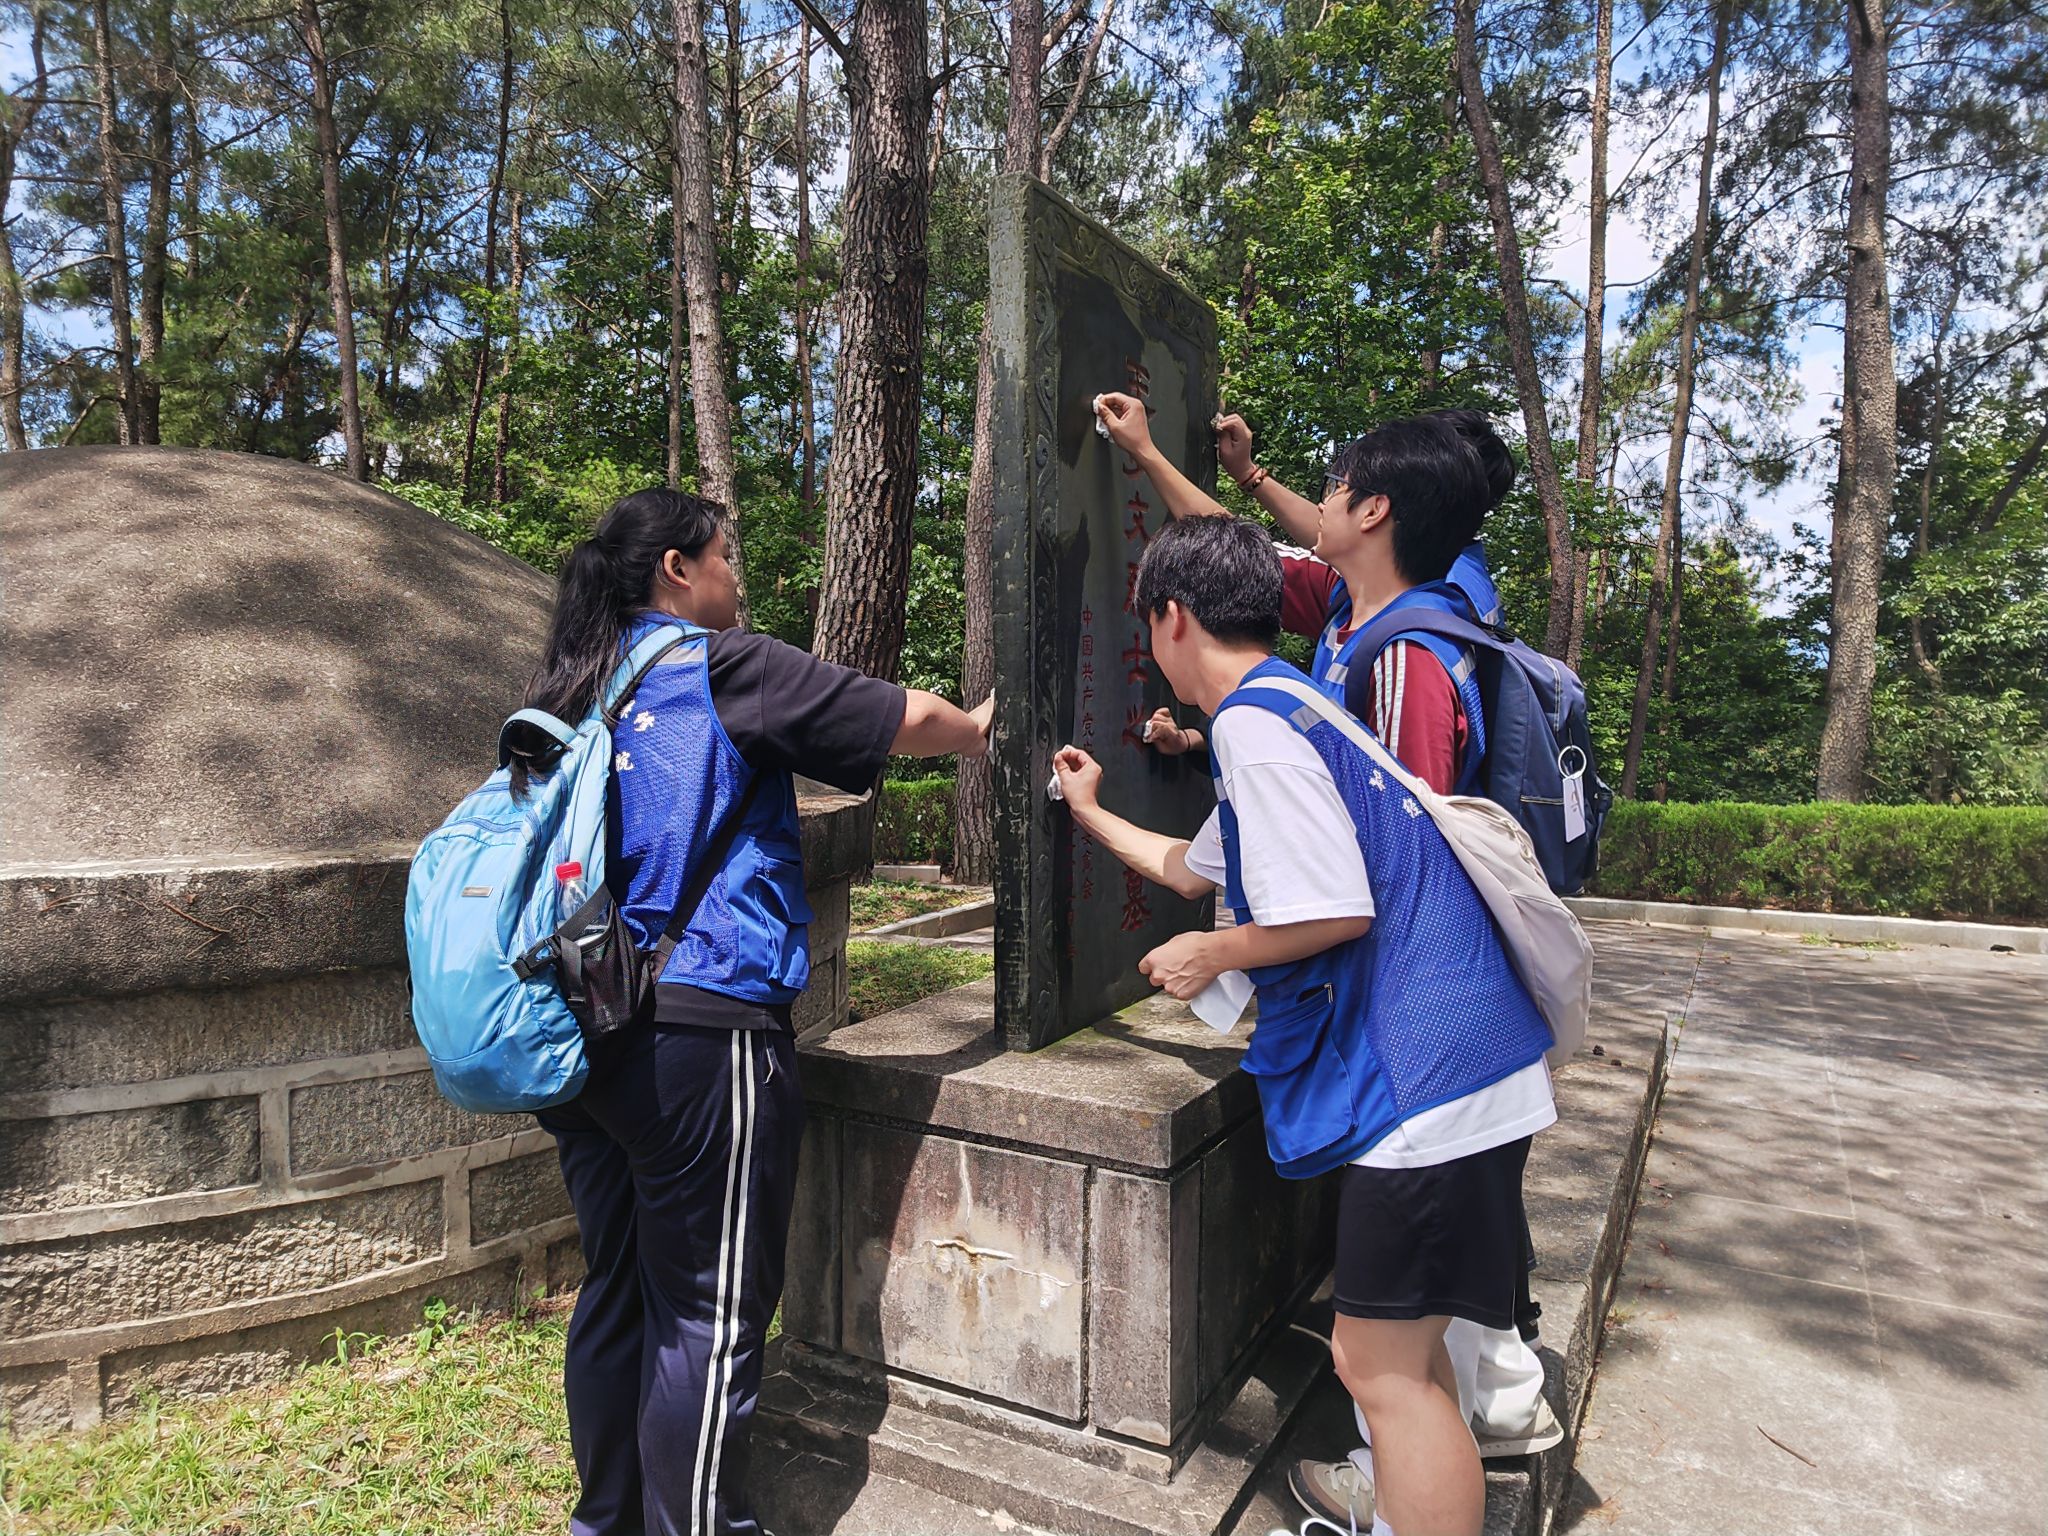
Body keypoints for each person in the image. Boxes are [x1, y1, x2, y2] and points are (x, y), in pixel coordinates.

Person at [1095, 396, 1561, 1528]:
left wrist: (1213, 951)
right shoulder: (1295, 698)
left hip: (1427, 1076)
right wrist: (1088, 807)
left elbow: (1334, 910)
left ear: (1169, 620)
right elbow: (1192, 865)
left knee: (1378, 1368)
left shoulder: (1260, 723)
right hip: (1467, 1058)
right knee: (1405, 1356)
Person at [519, 487, 992, 1536]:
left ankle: (608, 1521)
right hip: (702, 1028)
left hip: (583, 1027)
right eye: (725, 556)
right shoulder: (720, 667)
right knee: (708, 1312)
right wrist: (979, 727)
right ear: (678, 570)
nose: (737, 576)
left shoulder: (571, 686)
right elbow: (903, 718)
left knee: (617, 1289)